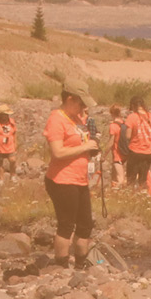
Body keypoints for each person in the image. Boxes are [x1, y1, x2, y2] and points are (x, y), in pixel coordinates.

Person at [43, 78, 101, 269]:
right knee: (66, 224)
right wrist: (85, 147)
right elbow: (58, 152)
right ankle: (61, 265)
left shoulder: (77, 118)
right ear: (70, 99)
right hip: (62, 180)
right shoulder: (56, 119)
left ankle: (81, 263)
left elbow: (83, 142)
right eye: (81, 103)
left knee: (85, 225)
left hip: (80, 179)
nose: (83, 107)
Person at [122, 96, 151, 188]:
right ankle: (142, 196)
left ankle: (130, 198)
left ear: (133, 105)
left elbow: (128, 136)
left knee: (131, 178)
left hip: (135, 151)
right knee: (143, 179)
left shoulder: (132, 117)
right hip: (147, 152)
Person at [108, 104, 126, 186]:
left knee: (120, 179)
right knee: (116, 178)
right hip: (126, 154)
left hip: (117, 155)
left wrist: (104, 155)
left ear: (112, 113)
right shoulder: (124, 124)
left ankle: (119, 195)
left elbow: (111, 142)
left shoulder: (113, 126)